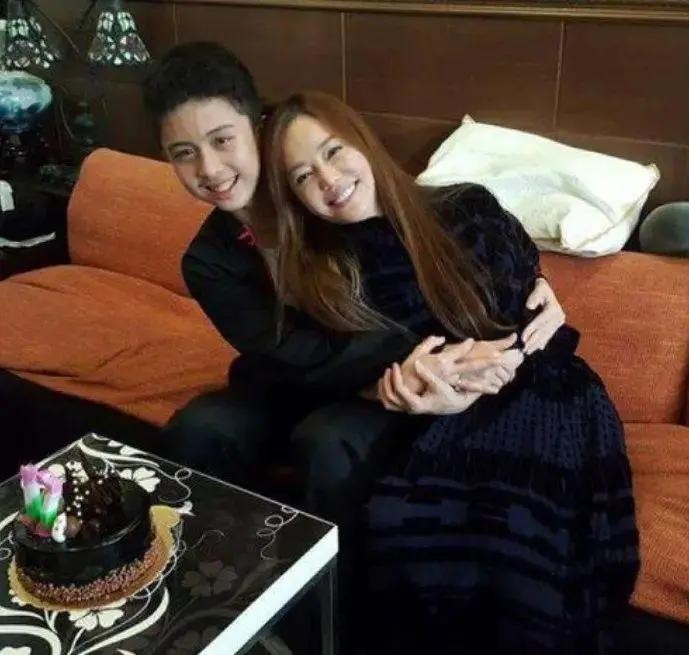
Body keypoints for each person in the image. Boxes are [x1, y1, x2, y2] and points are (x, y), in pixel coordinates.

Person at [142, 43, 568, 648]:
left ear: (258, 126)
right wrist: (429, 360)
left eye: (222, 140)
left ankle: (334, 627)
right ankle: (213, 607)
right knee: (200, 429)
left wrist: (531, 288)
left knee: (329, 441)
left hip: (381, 381)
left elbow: (430, 258)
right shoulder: (209, 259)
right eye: (183, 154)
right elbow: (288, 354)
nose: (209, 169)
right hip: (297, 377)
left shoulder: (326, 199)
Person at [259, 90, 640, 654]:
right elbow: (345, 367)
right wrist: (410, 391)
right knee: (412, 530)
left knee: (517, 537)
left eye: (334, 151)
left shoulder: (466, 205)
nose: (329, 179)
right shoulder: (324, 272)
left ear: (363, 141)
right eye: (302, 176)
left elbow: (529, 308)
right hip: (439, 418)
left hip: (547, 388)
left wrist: (515, 346)